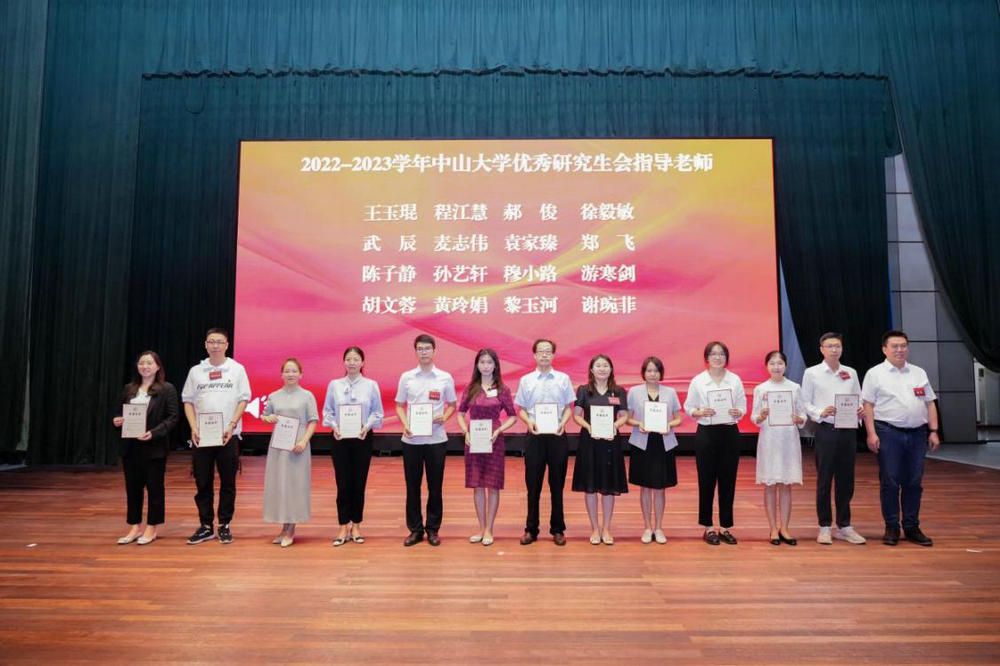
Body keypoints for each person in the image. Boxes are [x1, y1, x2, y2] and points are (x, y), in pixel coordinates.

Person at [862, 330, 941, 547]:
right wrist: (871, 433)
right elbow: (868, 405)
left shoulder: (918, 372)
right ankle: (892, 526)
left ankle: (912, 526)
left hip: (917, 433)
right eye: (895, 346)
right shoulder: (875, 374)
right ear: (884, 349)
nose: (900, 350)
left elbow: (930, 402)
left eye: (903, 346)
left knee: (914, 481)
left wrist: (934, 430)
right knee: (890, 481)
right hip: (888, 432)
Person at [181, 328, 251, 545]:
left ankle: (224, 524)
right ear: (205, 344)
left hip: (228, 435)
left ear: (227, 345)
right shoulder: (196, 371)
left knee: (228, 482)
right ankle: (205, 525)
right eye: (211, 341)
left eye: (219, 342)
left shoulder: (237, 369)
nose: (215, 345)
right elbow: (188, 401)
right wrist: (193, 427)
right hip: (202, 436)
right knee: (203, 482)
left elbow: (243, 399)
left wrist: (231, 425)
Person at [800, 332, 866, 545]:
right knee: (825, 478)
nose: (834, 349)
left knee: (846, 480)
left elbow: (859, 398)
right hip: (826, 429)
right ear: (821, 349)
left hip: (848, 430)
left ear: (842, 348)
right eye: (829, 346)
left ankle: (844, 525)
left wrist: (860, 409)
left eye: (837, 346)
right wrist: (820, 412)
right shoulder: (812, 373)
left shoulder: (850, 372)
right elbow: (805, 402)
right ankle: (825, 526)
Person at [394, 334, 457, 547]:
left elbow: (452, 405)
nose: (424, 352)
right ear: (416, 352)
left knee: (435, 487)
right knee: (412, 487)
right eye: (420, 349)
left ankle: (433, 529)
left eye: (427, 348)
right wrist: (405, 424)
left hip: (436, 440)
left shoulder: (444, 377)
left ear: (434, 351)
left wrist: (444, 417)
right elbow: (399, 406)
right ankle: (415, 530)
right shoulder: (407, 377)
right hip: (411, 440)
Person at [112, 351, 179, 545]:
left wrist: (154, 433)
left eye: (149, 363)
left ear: (158, 367)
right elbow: (118, 413)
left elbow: (173, 417)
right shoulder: (129, 389)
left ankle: (152, 527)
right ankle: (134, 526)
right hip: (130, 446)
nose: (145, 366)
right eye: (142, 363)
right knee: (133, 489)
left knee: (154, 488)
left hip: (154, 447)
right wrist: (117, 421)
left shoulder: (166, 389)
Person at [684, 341, 747, 545]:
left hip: (729, 432)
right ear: (707, 358)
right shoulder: (699, 380)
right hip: (706, 434)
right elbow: (689, 407)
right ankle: (708, 527)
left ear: (726, 358)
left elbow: (742, 406)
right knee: (706, 480)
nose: (717, 357)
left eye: (721, 354)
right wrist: (699, 412)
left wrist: (738, 412)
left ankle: (725, 526)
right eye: (713, 354)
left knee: (728, 480)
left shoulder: (734, 380)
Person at [514, 338, 575, 546]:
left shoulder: (563, 379)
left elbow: (569, 407)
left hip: (557, 435)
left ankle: (558, 529)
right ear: (534, 355)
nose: (544, 355)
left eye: (548, 351)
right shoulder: (526, 380)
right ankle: (531, 529)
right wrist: (528, 421)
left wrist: (563, 423)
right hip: (535, 436)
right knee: (533, 486)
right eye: (541, 351)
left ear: (554, 355)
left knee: (557, 485)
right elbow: (521, 409)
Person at [322, 346, 383, 546]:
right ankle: (342, 525)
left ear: (362, 362)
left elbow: (377, 412)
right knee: (342, 483)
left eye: (356, 359)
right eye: (348, 359)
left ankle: (356, 525)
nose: (352, 362)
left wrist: (366, 427)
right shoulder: (335, 385)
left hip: (362, 437)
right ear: (344, 362)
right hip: (339, 438)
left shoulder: (371, 385)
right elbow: (328, 411)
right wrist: (334, 426)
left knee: (359, 482)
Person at [456, 349, 518, 546]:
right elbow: (460, 413)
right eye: (482, 362)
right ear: (477, 365)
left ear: (495, 365)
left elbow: (513, 416)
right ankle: (481, 528)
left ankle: (490, 529)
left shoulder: (502, 389)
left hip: (493, 440)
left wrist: (499, 430)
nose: (485, 366)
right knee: (477, 485)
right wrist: (465, 431)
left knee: (493, 485)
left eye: (489, 362)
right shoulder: (471, 388)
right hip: (474, 439)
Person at [572, 354, 630, 545]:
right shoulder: (583, 390)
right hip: (589, 441)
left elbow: (624, 415)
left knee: (608, 486)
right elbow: (576, 415)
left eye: (606, 365)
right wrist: (589, 427)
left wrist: (614, 426)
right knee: (590, 486)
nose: (602, 369)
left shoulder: (618, 391)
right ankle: (594, 528)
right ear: (591, 369)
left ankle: (606, 528)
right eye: (598, 366)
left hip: (611, 442)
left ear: (611, 369)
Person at [751, 351, 806, 546]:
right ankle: (773, 528)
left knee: (786, 484)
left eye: (780, 363)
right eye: (772, 363)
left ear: (786, 366)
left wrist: (799, 419)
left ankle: (785, 528)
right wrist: (761, 416)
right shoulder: (761, 389)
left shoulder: (794, 387)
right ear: (766, 366)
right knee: (770, 484)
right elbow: (754, 417)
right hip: (769, 440)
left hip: (788, 441)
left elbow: (803, 415)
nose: (776, 367)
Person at [626, 356, 683, 544]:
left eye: (656, 370)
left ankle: (658, 528)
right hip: (642, 443)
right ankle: (647, 527)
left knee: (660, 488)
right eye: (649, 370)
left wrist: (669, 425)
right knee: (644, 487)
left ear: (661, 373)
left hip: (663, 443)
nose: (653, 374)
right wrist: (639, 423)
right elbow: (627, 418)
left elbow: (678, 418)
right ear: (644, 373)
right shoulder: (634, 392)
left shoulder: (670, 392)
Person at [261, 358, 318, 547]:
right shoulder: (274, 396)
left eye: (294, 371)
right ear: (281, 374)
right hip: (279, 445)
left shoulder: (307, 396)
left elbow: (313, 420)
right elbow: (265, 415)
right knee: (280, 484)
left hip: (298, 445)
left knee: (295, 484)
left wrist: (303, 441)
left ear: (301, 374)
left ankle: (291, 528)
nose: (290, 374)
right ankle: (284, 527)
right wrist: (268, 418)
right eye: (287, 371)